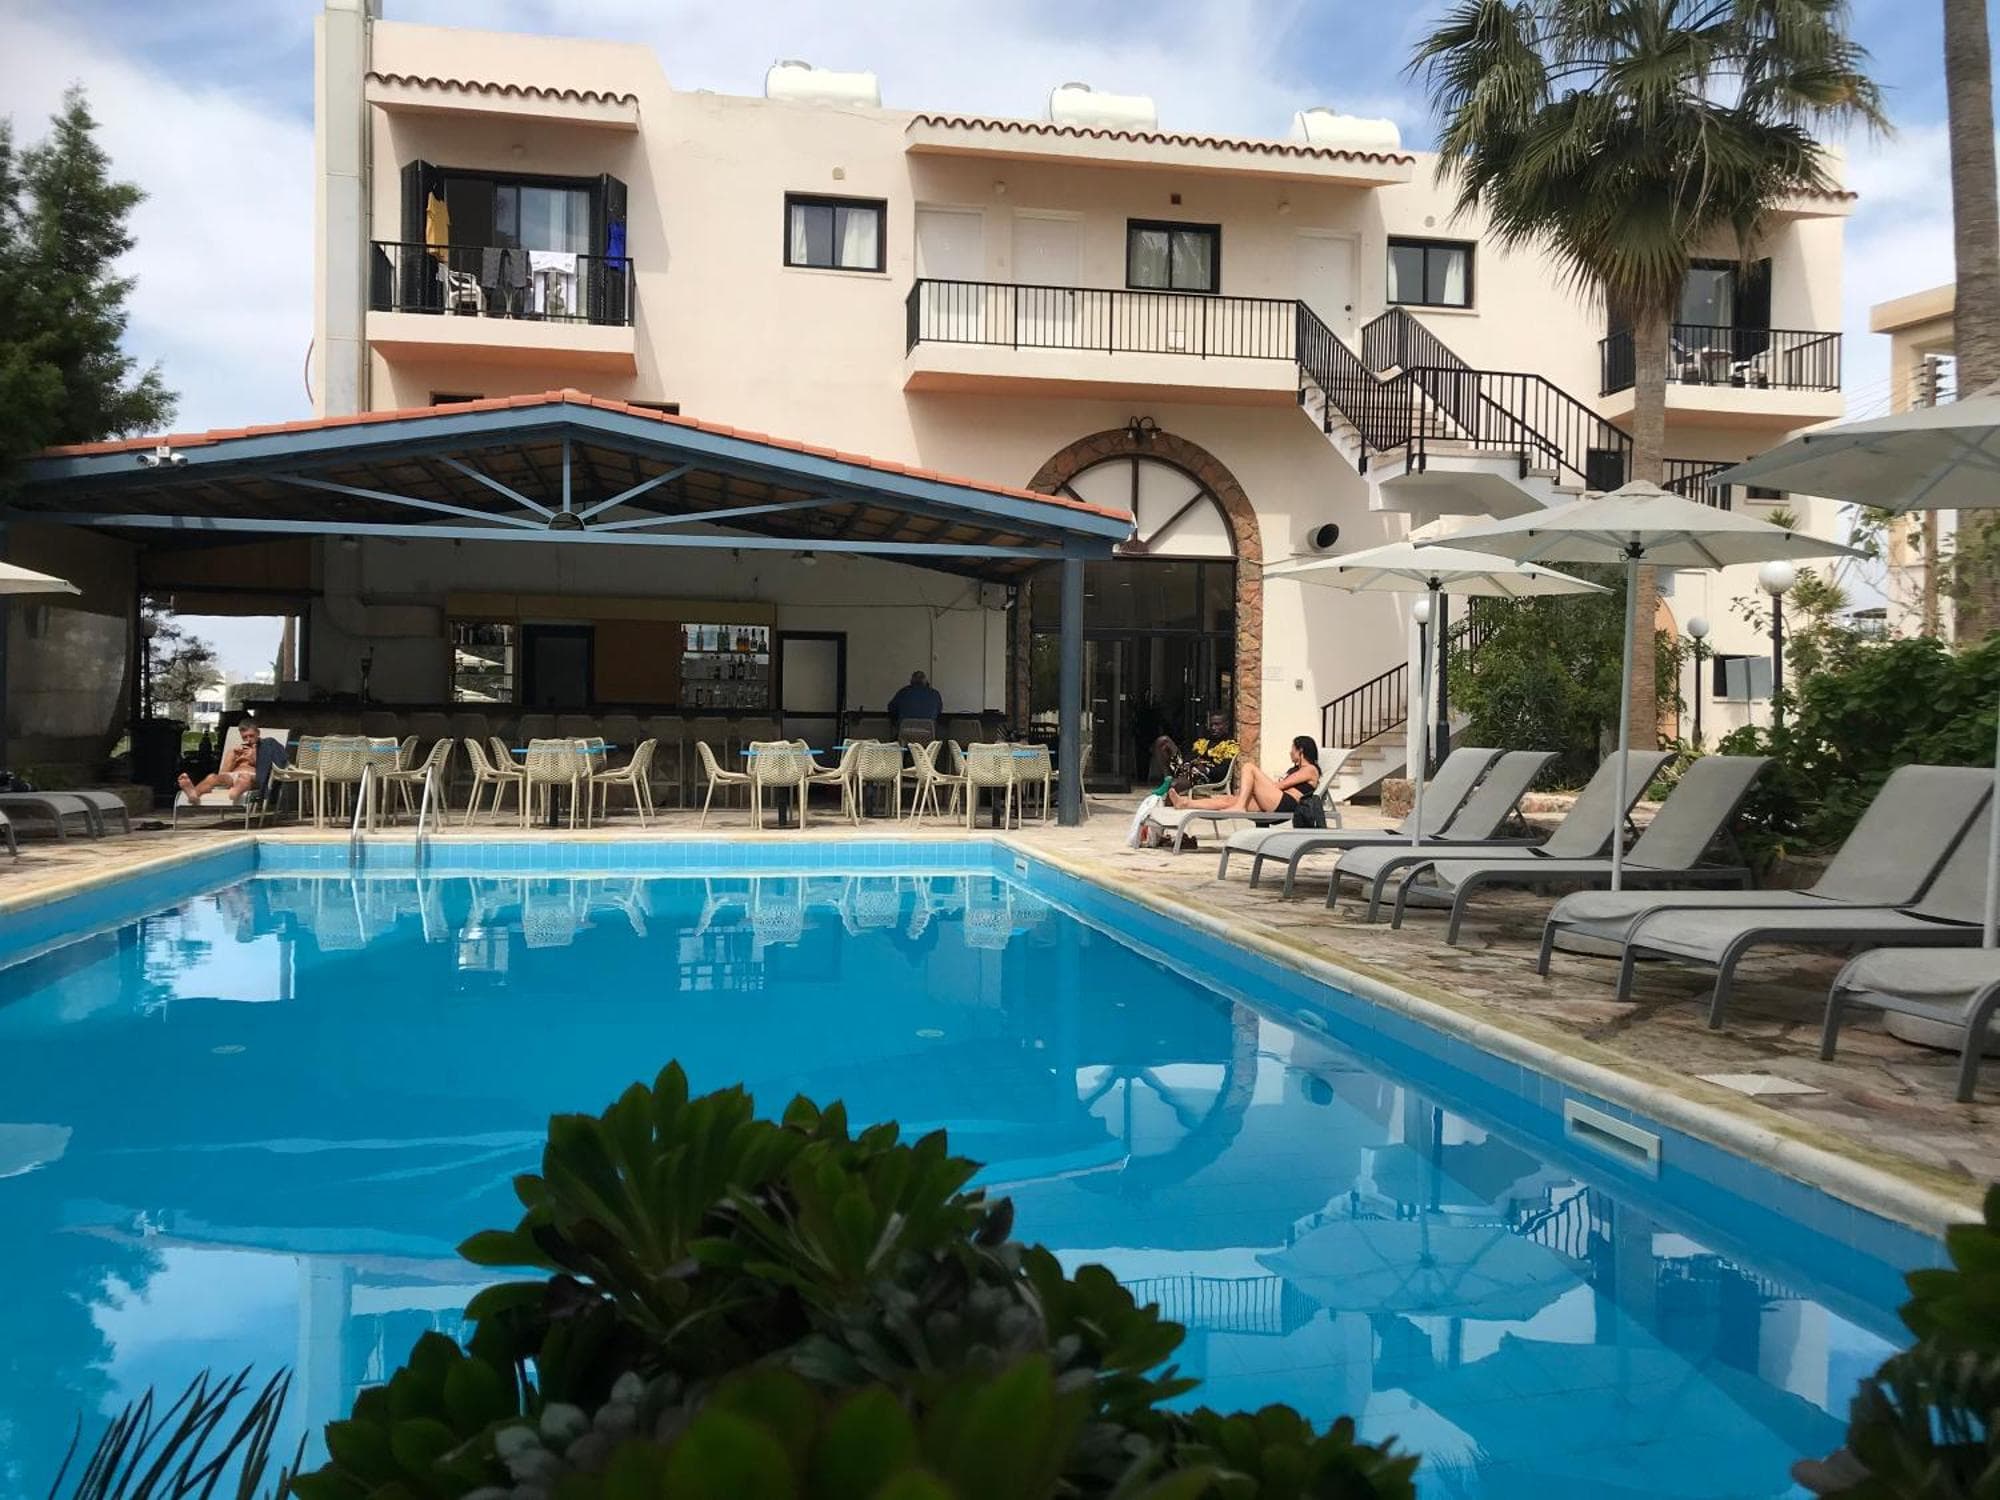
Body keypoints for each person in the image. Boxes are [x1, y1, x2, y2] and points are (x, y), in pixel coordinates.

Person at [1167, 735, 1319, 815]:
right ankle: (1185, 803)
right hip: (1277, 800)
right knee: (1228, 800)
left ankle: (1240, 806)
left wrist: (1256, 787)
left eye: (1293, 749)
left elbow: (1281, 785)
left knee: (1249, 767)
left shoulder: (1310, 769)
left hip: (1287, 803)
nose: (1290, 752)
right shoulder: (1296, 769)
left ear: (1301, 750)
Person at [178, 722, 262, 804]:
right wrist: (233, 757)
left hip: (252, 775)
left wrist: (253, 756)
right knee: (212, 777)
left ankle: (235, 792)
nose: (248, 740)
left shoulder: (265, 747)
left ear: (258, 733)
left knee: (244, 778)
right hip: (233, 776)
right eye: (245, 737)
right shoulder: (237, 750)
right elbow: (223, 772)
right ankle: (193, 794)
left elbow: (265, 769)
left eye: (251, 736)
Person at [1149, 712, 1235, 788]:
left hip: (1204, 776)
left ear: (1226, 725)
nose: (1213, 728)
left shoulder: (1230, 745)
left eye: (1217, 724)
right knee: (1163, 741)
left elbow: (1224, 770)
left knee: (1174, 785)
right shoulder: (1205, 740)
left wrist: (1206, 770)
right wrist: (1187, 763)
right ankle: (1167, 778)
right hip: (1188, 768)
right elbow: (1190, 755)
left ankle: (1172, 786)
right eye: (1211, 725)